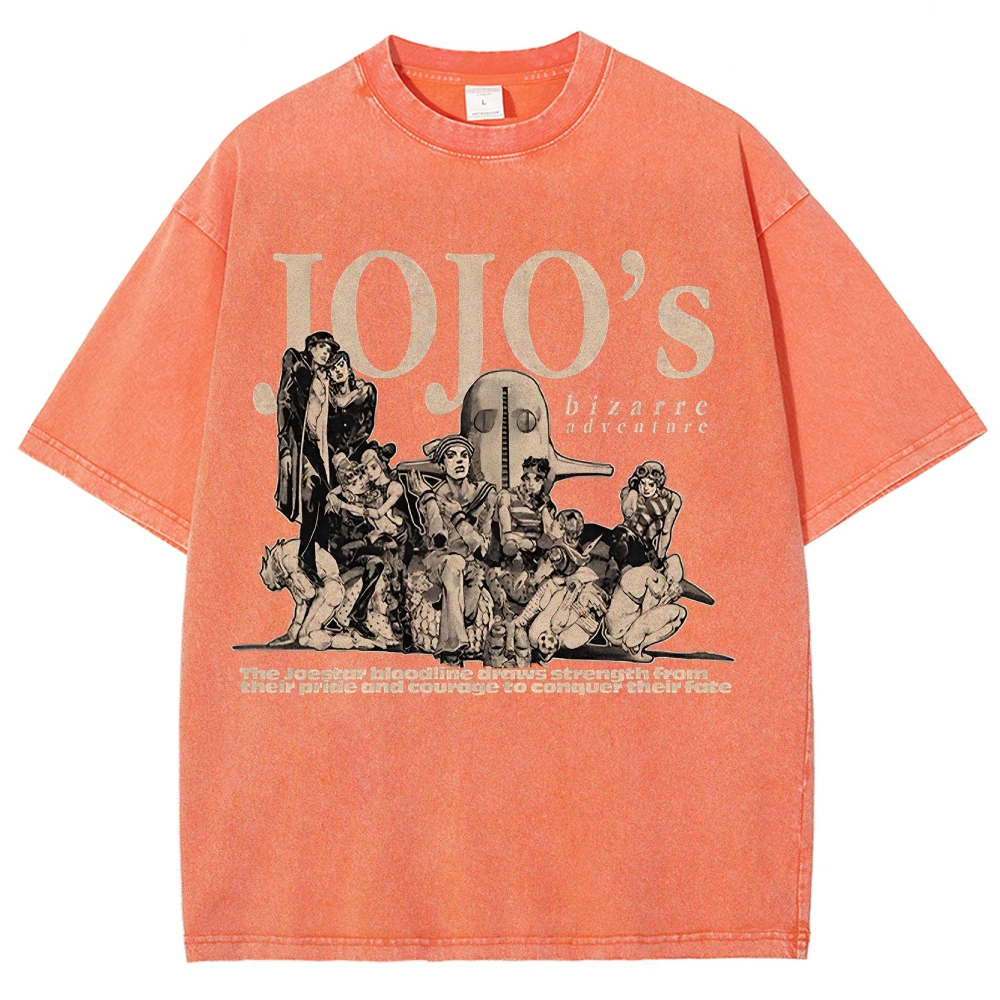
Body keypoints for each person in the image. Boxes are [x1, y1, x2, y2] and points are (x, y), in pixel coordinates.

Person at [274, 333, 377, 579]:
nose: (324, 353)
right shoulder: (297, 366)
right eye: (320, 347)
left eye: (328, 350)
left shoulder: (325, 378)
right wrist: (285, 448)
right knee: (311, 493)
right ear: (310, 348)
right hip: (300, 444)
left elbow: (342, 412)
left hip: (319, 448)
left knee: (323, 499)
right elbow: (284, 405)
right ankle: (307, 559)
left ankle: (319, 558)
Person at [409, 434, 496, 662]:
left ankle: (449, 607)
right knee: (453, 563)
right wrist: (429, 500)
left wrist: (458, 517)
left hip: (472, 568)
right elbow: (438, 539)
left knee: (468, 613)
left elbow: (482, 549)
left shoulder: (485, 494)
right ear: (442, 465)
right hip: (441, 563)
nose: (459, 461)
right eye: (451, 456)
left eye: (464, 456)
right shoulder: (433, 497)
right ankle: (451, 648)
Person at [259, 538, 346, 650]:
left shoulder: (288, 562)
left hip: (331, 591)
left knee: (306, 637)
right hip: (327, 591)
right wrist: (292, 633)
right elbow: (302, 603)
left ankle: (346, 639)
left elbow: (310, 594)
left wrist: (303, 628)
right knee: (304, 636)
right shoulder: (286, 562)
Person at [618, 460, 682, 568]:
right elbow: (628, 512)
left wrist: (660, 557)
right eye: (643, 483)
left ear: (658, 484)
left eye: (651, 484)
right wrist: (633, 493)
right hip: (623, 536)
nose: (646, 488)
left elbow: (666, 531)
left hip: (644, 547)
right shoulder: (629, 492)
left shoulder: (671, 500)